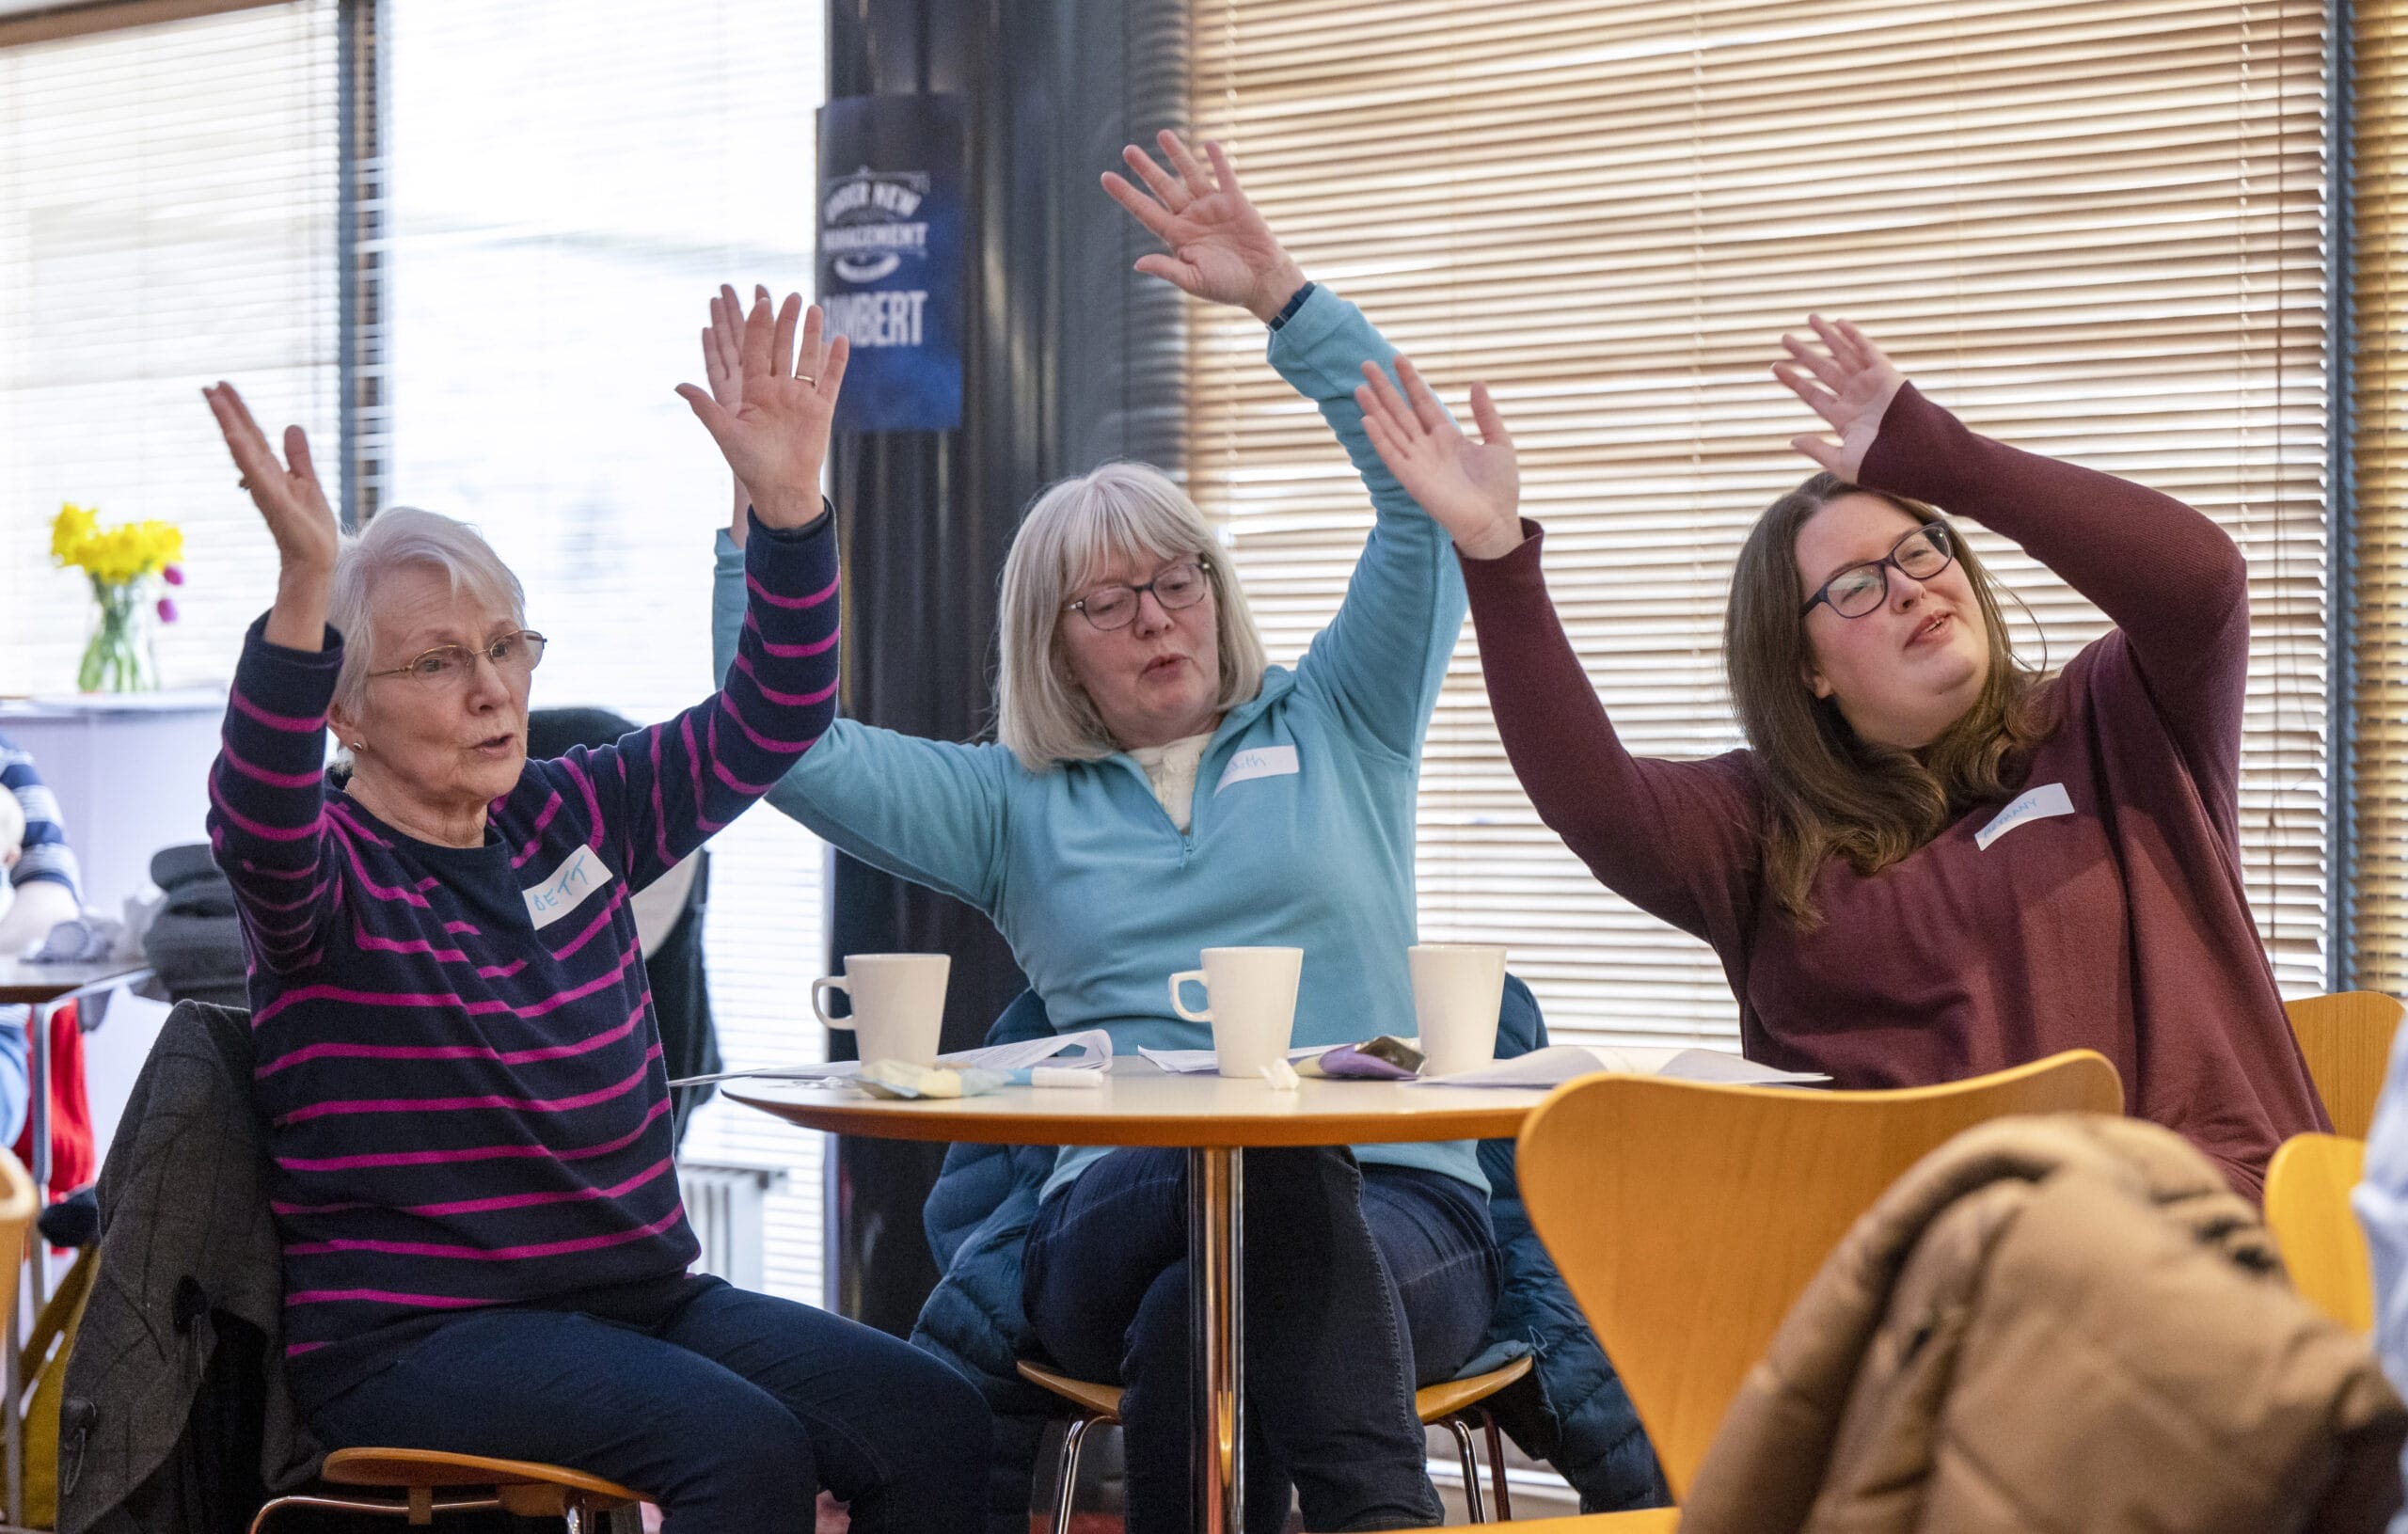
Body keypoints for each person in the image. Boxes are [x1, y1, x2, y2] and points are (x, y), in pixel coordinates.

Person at [710, 133, 1498, 1534]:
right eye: (1110, 600)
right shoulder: (1016, 802)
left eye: (1178, 577)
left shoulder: (1341, 720)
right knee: (1253, 1175)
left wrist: (1287, 303)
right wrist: (776, 517)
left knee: (1236, 1262)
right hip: (1116, 1205)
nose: (1158, 615)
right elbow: (785, 745)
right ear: (1053, 646)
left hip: (1398, 1211)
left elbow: (1422, 509)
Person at [200, 293, 990, 1534]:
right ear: (345, 713)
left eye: (509, 645)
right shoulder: (331, 873)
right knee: (742, 1449)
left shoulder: (575, 811)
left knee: (935, 1416)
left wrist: (788, 511)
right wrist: (305, 594)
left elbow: (773, 718)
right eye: (438, 660)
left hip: (634, 1295)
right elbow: (255, 808)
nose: (491, 687)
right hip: (422, 1333)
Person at [1353, 313, 2327, 1198]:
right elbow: (1594, 800)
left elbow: (2204, 582)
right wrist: (1492, 552)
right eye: (1855, 586)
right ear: (1805, 667)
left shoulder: (2116, 718)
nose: (1908, 588)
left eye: (1921, 550)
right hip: (1911, 1271)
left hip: (2194, 1224)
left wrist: (1948, 464)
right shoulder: (1762, 825)